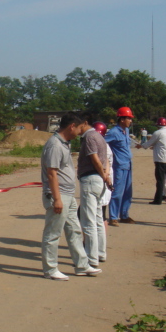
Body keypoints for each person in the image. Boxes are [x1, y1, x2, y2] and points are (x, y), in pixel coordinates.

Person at [41, 112, 102, 281]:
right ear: (72, 126)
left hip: (68, 195)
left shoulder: (64, 143)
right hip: (59, 195)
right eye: (80, 128)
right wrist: (57, 199)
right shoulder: (55, 145)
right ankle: (50, 269)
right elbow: (51, 173)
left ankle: (82, 265)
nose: (81, 132)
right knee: (53, 233)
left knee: (74, 230)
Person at [77, 115, 112, 267]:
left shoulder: (89, 137)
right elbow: (106, 160)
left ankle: (91, 258)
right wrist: (104, 176)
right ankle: (100, 253)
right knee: (98, 219)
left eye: (79, 125)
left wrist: (103, 174)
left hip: (91, 179)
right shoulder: (99, 137)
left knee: (88, 220)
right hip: (98, 180)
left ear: (85, 122)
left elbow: (95, 158)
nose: (77, 128)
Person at [136, 117, 166, 205]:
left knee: (160, 180)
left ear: (158, 125)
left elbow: (148, 143)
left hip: (161, 159)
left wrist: (141, 145)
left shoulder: (158, 133)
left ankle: (158, 200)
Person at [105, 106, 135, 225]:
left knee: (128, 192)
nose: (130, 121)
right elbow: (102, 143)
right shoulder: (113, 133)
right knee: (117, 192)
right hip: (119, 166)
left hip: (128, 165)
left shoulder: (125, 131)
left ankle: (124, 215)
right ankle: (113, 217)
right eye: (129, 118)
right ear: (122, 119)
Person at [93, 122, 113, 232]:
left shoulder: (101, 146)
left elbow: (103, 165)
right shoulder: (104, 145)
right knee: (101, 214)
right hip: (105, 180)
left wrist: (105, 176)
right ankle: (99, 240)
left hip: (102, 181)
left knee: (100, 215)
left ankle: (97, 240)